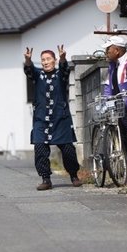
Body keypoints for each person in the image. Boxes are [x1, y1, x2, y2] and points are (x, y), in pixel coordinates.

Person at [24, 45, 83, 190]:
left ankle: (74, 175)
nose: (45, 62)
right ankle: (46, 179)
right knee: (40, 148)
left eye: (48, 59)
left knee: (68, 149)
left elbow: (65, 70)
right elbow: (29, 71)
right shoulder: (38, 75)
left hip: (60, 118)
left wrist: (63, 58)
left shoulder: (60, 75)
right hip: (41, 119)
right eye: (43, 60)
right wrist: (28, 60)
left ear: (54, 60)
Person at [101, 35, 127, 171]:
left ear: (117, 50)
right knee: (125, 142)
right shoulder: (113, 66)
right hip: (120, 109)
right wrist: (104, 103)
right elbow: (108, 87)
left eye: (108, 50)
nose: (106, 53)